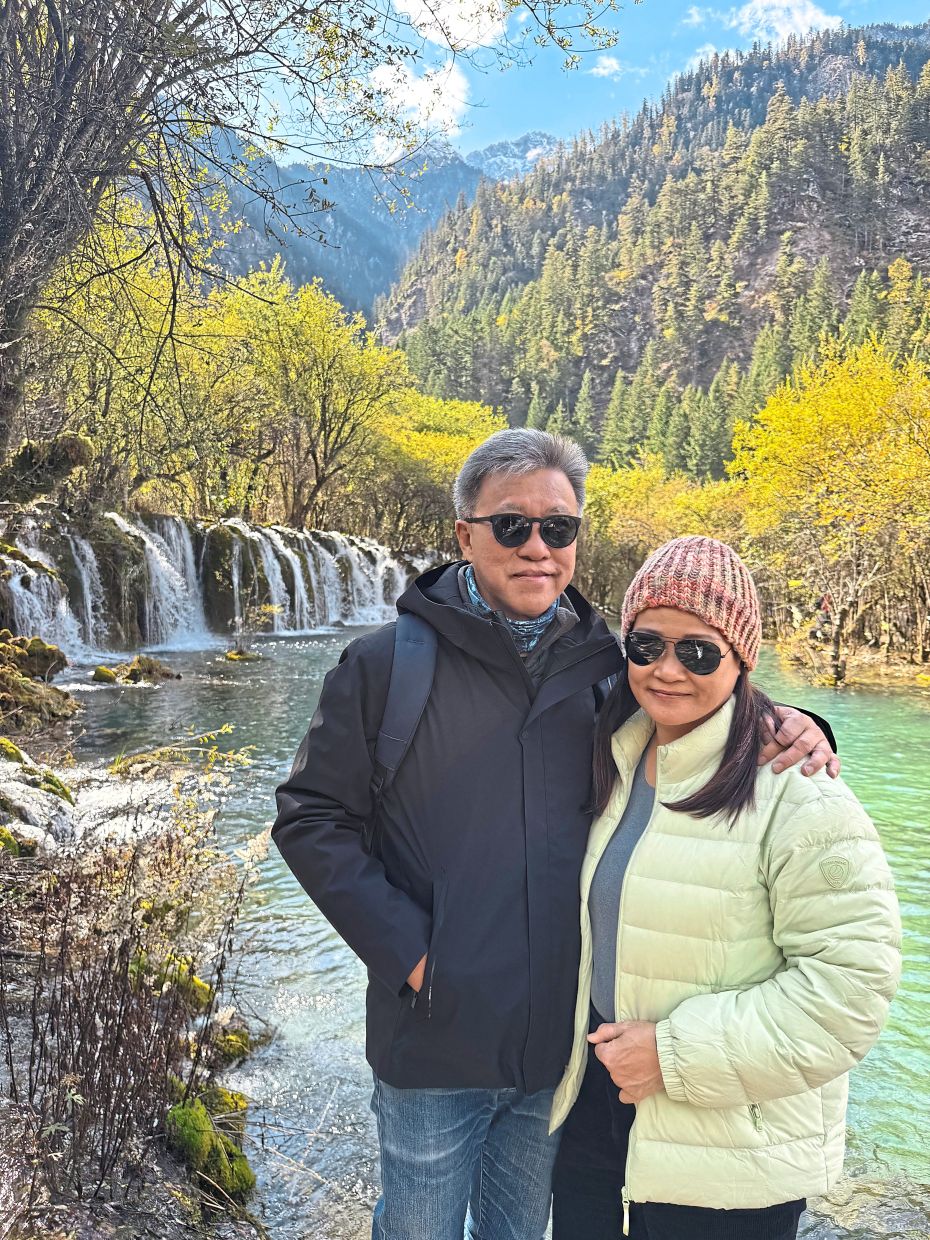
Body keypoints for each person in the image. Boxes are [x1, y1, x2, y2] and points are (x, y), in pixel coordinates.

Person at [272, 430, 839, 1240]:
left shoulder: (613, 665)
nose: (537, 547)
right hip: (433, 1043)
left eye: (559, 528)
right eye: (512, 526)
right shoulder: (383, 667)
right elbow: (311, 817)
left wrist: (796, 722)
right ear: (464, 534)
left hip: (559, 1055)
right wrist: (412, 958)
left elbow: (703, 698)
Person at [550, 535, 901, 1240]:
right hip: (593, 1118)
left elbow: (852, 990)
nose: (667, 669)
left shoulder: (800, 794)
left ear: (744, 658)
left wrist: (673, 1055)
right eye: (647, 645)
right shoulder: (610, 752)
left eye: (699, 651)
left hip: (731, 1154)